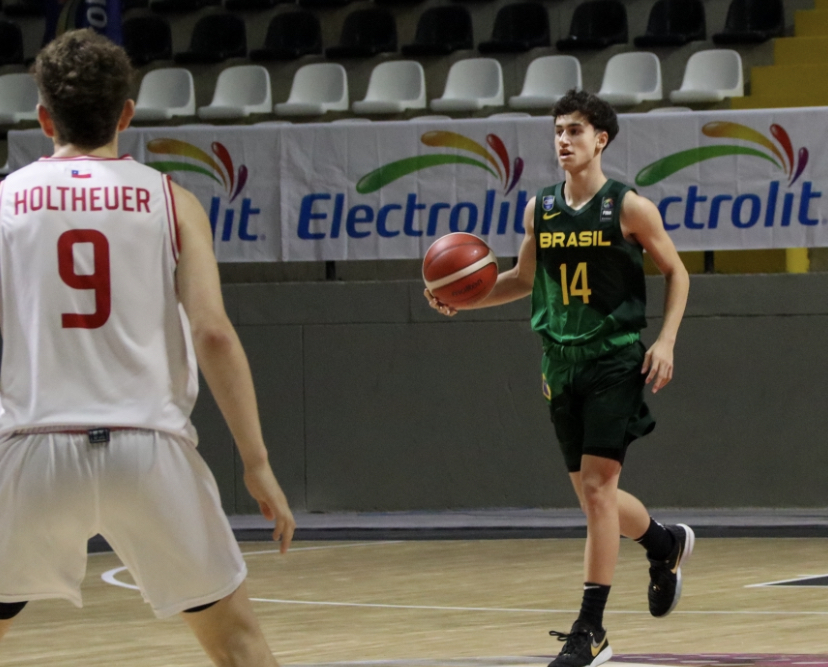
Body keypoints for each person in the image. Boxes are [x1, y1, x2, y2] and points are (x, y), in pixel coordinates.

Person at [0, 30, 295, 666]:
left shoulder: (4, 202)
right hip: (148, 449)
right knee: (238, 643)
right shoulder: (172, 200)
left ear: (43, 117)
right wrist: (256, 460)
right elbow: (212, 332)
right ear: (127, 115)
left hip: (32, 447)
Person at [425, 90, 693, 667]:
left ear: (601, 140)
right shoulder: (539, 209)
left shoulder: (629, 207)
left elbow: (677, 272)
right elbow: (521, 280)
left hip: (615, 358)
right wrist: (460, 301)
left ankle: (590, 629)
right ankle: (664, 544)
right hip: (559, 361)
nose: (563, 140)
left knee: (597, 490)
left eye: (575, 130)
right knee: (594, 498)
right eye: (558, 131)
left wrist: (666, 340)